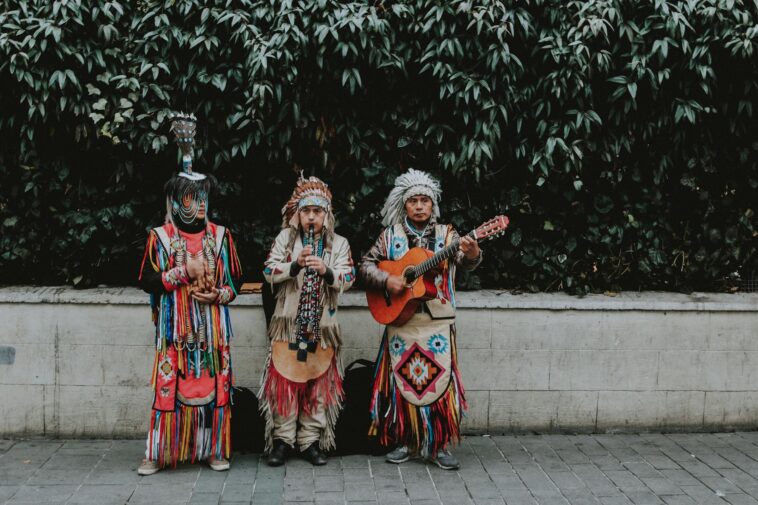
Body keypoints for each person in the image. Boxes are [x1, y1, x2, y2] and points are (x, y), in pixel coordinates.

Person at [137, 113, 242, 475]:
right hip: (175, 332)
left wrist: (219, 296)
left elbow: (237, 283)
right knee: (168, 389)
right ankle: (158, 452)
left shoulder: (221, 235)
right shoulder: (161, 238)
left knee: (215, 389)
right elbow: (148, 281)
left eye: (200, 199)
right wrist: (183, 272)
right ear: (175, 200)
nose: (196, 206)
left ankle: (212, 450)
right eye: (188, 198)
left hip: (212, 332)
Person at [360, 169, 482, 470]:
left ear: (433, 205)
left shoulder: (447, 236)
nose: (418, 206)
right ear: (403, 204)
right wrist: (388, 282)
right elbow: (365, 266)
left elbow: (466, 262)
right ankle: (405, 439)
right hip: (401, 321)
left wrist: (473, 251)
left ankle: (437, 444)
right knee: (403, 381)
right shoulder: (390, 237)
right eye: (413, 200)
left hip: (437, 323)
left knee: (438, 382)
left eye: (424, 200)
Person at [259, 175, 356, 466]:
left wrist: (327, 270)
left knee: (317, 383)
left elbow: (349, 277)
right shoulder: (284, 241)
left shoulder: (339, 244)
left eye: (317, 211)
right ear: (297, 215)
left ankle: (311, 440)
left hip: (322, 327)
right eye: (305, 211)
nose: (311, 216)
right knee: (285, 382)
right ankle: (283, 440)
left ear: (327, 216)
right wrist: (294, 264)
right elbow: (268, 271)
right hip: (288, 323)